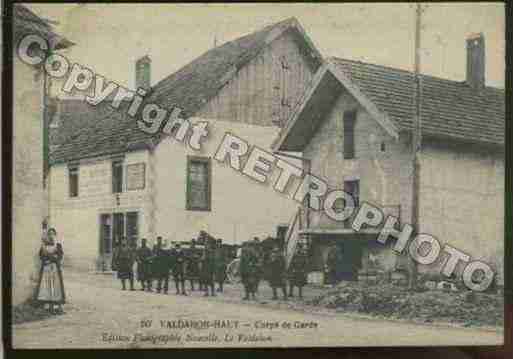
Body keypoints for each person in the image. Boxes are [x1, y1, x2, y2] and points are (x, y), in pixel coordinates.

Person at [35, 228, 65, 314]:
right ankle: (50, 307)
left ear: (55, 235)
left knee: (56, 286)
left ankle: (59, 307)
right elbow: (41, 256)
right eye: (50, 234)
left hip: (55, 268)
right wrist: (46, 260)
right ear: (48, 235)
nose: (51, 235)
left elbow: (60, 256)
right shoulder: (44, 246)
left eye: (53, 234)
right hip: (47, 268)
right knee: (48, 286)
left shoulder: (58, 245)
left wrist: (55, 259)